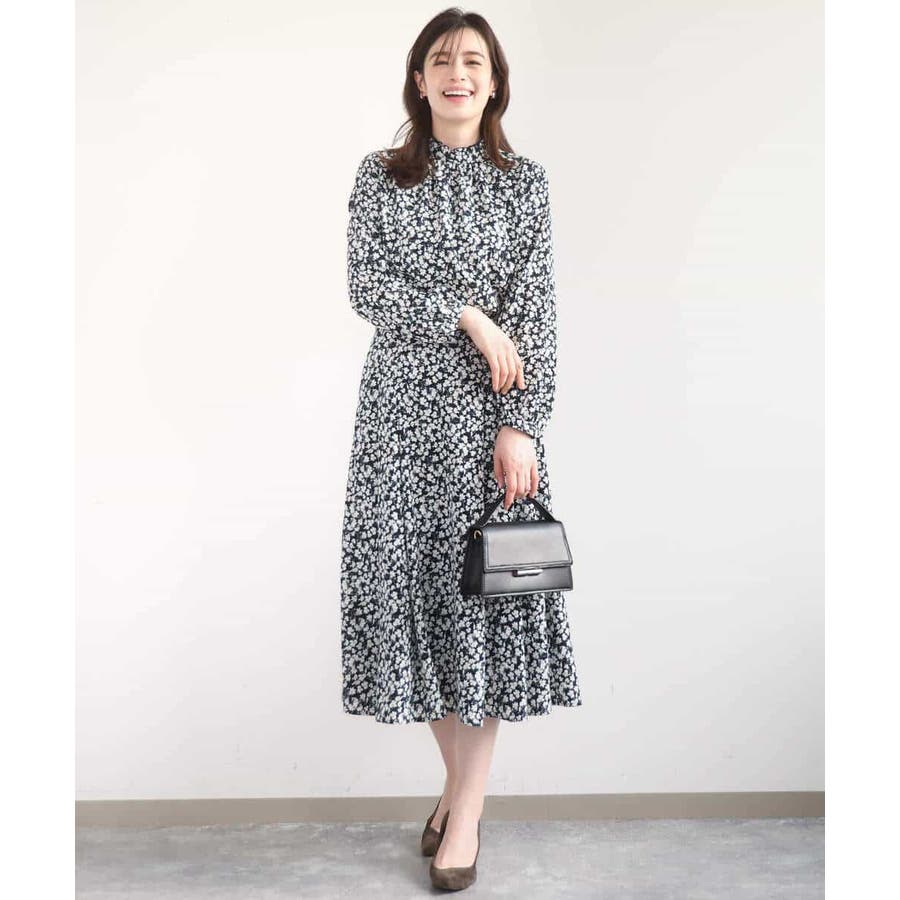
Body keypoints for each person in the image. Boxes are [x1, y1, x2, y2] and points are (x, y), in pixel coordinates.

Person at [339, 9, 583, 891]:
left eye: (473, 60)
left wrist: (524, 424)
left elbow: (539, 310)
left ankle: (466, 813)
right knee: (411, 606)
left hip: (488, 428)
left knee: (481, 611)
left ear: (495, 80)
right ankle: (458, 789)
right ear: (419, 79)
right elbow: (367, 286)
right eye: (441, 60)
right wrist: (467, 315)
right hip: (399, 426)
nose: (457, 73)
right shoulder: (379, 176)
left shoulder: (525, 184)